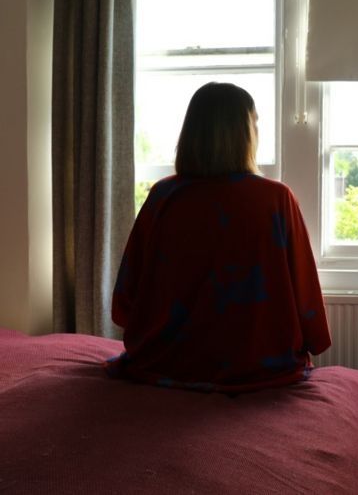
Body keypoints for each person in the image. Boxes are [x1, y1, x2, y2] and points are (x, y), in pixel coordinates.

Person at [105, 82, 331, 393]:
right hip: (257, 363)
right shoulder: (275, 198)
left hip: (166, 361)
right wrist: (313, 338)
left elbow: (128, 294)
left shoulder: (163, 196)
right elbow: (303, 286)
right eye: (255, 122)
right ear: (245, 133)